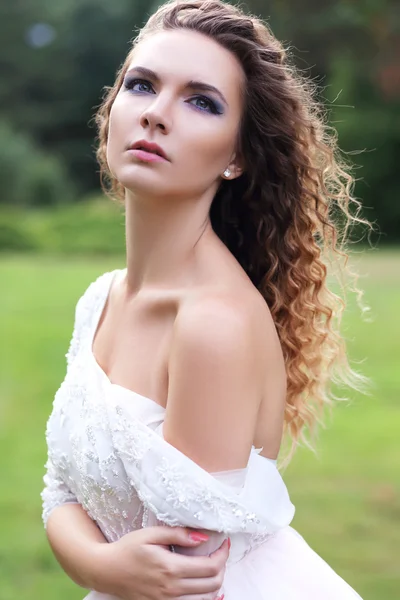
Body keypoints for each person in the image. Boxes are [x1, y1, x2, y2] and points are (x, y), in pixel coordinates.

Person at [41, 1, 373, 598]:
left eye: (201, 101)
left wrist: (104, 566)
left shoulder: (211, 324)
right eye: (141, 86)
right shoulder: (102, 299)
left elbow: (188, 578)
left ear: (237, 156)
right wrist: (100, 568)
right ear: (111, 108)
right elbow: (60, 494)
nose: (156, 115)